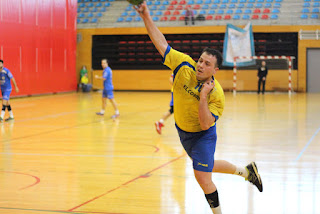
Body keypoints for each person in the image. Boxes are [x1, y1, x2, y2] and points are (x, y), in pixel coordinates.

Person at [136, 2, 263, 213]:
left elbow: (205, 125)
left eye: (207, 64)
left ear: (215, 70)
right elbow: (161, 44)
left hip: (203, 135)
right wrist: (146, 17)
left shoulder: (217, 94)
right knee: (206, 164)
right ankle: (247, 172)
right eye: (200, 60)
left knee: (202, 176)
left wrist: (203, 96)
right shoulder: (183, 64)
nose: (201, 65)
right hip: (182, 131)